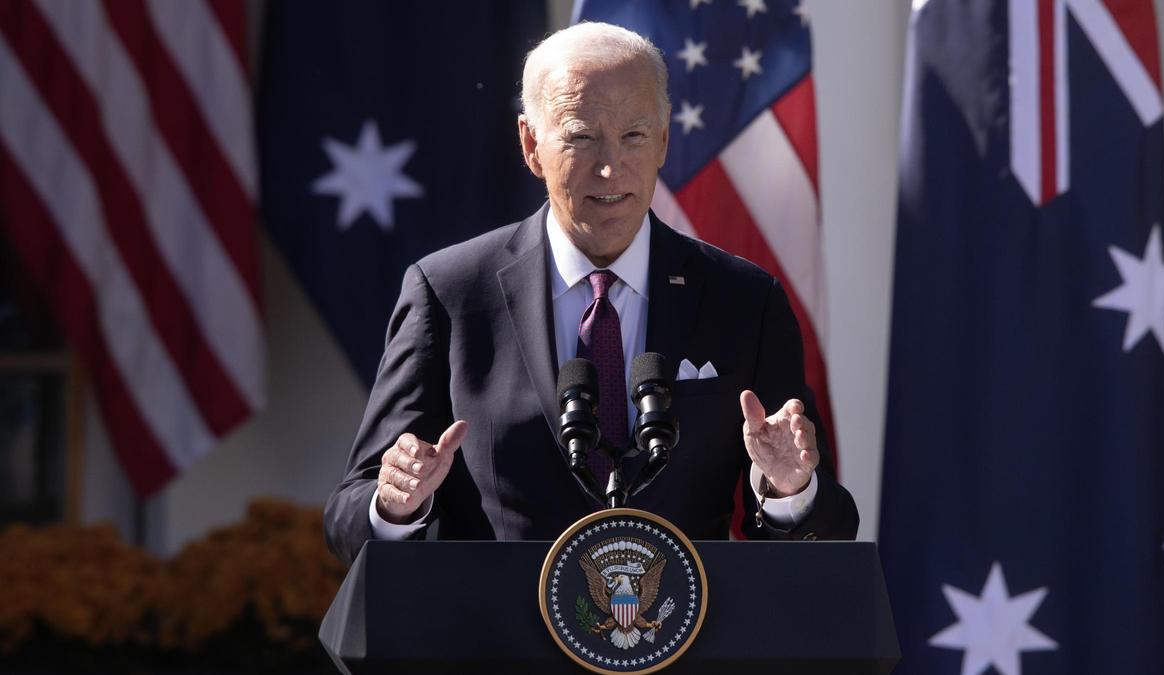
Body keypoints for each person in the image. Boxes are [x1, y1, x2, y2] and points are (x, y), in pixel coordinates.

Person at [324, 22, 858, 565]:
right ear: (532, 144)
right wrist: (395, 506)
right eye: (581, 136)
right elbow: (348, 517)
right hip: (497, 641)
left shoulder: (745, 301)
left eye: (634, 136)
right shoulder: (451, 294)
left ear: (664, 141)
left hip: (684, 640)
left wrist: (791, 492)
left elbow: (830, 532)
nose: (610, 166)